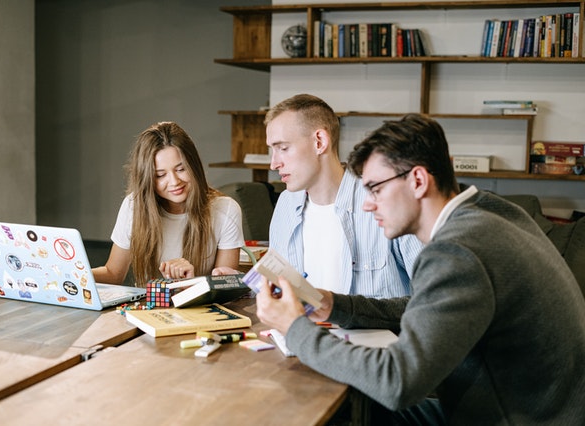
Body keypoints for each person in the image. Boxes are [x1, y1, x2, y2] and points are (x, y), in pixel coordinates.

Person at [256, 113, 585, 425]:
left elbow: (397, 382)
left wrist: (295, 328)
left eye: (376, 188)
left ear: (417, 180)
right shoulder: (490, 212)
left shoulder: (457, 252)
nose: (367, 204)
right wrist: (337, 305)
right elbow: (424, 308)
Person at [265, 94, 422, 297]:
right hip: (303, 328)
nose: (274, 164)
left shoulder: (387, 200)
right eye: (272, 151)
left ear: (319, 142)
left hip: (378, 329)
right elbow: (277, 289)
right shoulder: (286, 203)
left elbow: (433, 298)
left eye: (283, 148)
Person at [93, 121, 244, 285]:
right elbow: (113, 274)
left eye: (181, 169)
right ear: (148, 179)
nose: (174, 181)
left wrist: (191, 283)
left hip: (199, 309)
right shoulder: (134, 206)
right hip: (147, 309)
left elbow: (225, 286)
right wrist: (73, 275)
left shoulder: (226, 209)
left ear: (194, 166)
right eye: (160, 175)